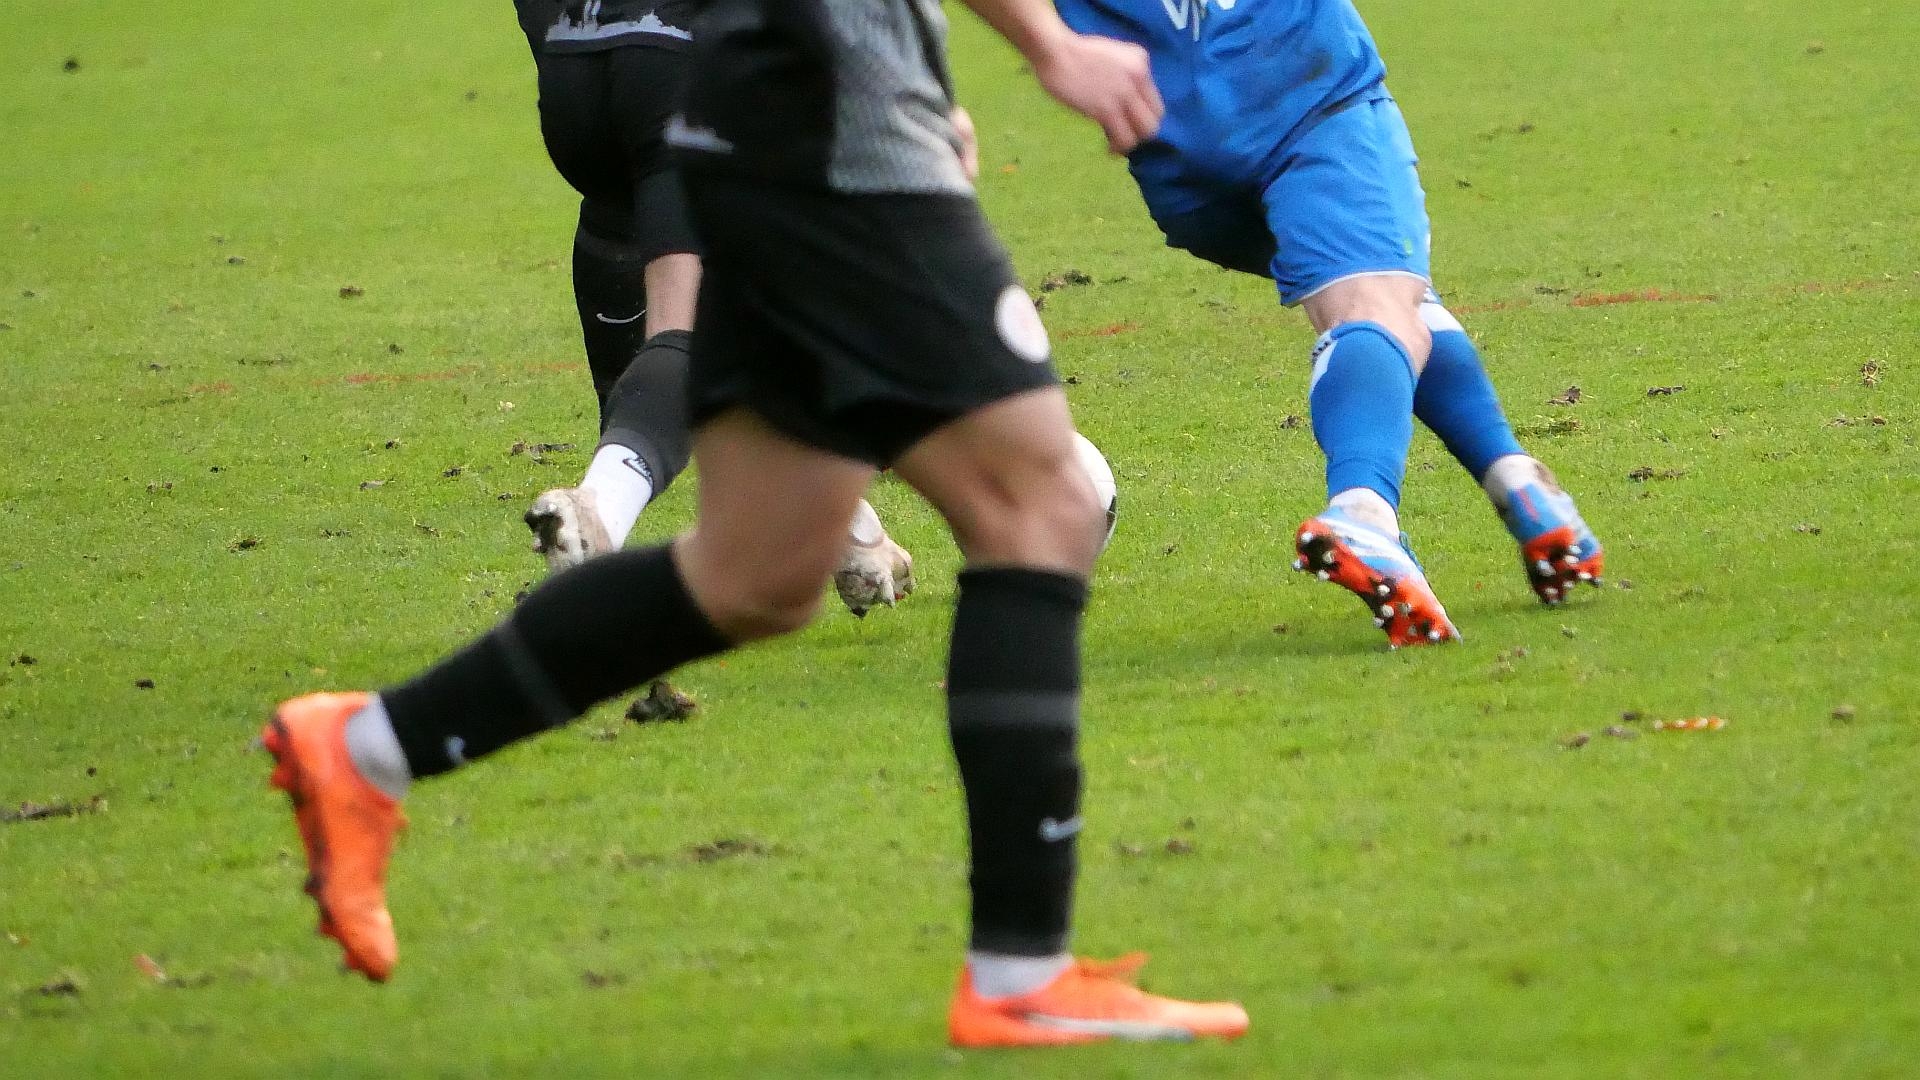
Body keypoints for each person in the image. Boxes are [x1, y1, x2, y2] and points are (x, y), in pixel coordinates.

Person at [263, 0, 1247, 1047]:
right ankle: (1022, 973)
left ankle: (365, 749)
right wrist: (1050, 45)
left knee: (756, 575)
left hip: (744, 126)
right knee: (1041, 506)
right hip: (835, 138)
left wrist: (919, 78)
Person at [1051, 0, 1605, 646]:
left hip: (1173, 145)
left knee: (1379, 294)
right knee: (1373, 305)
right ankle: (1364, 511)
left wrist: (1048, 50)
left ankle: (1516, 479)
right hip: (1298, 88)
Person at [511, 0, 915, 614]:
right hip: (682, 66)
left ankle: (845, 525)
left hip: (574, 66)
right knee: (699, 325)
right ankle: (598, 508)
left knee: (646, 246)